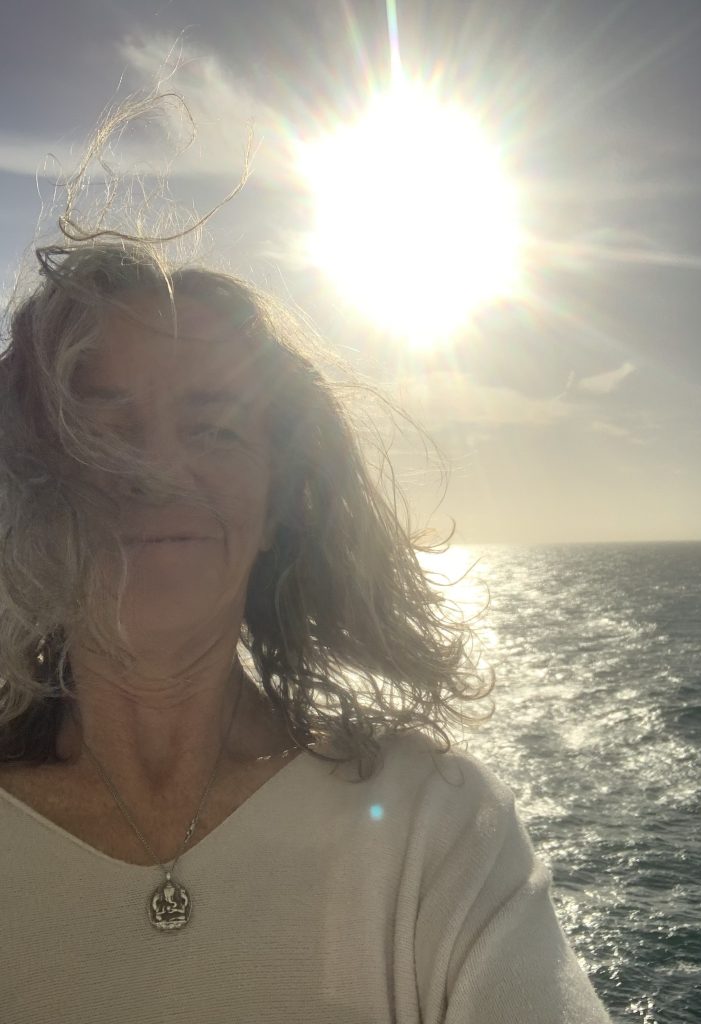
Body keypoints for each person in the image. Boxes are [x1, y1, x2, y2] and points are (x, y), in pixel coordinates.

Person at [0, 106, 612, 1024]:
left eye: (214, 428)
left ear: (279, 505)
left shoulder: (438, 831)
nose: (157, 469)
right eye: (99, 426)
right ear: (25, 482)